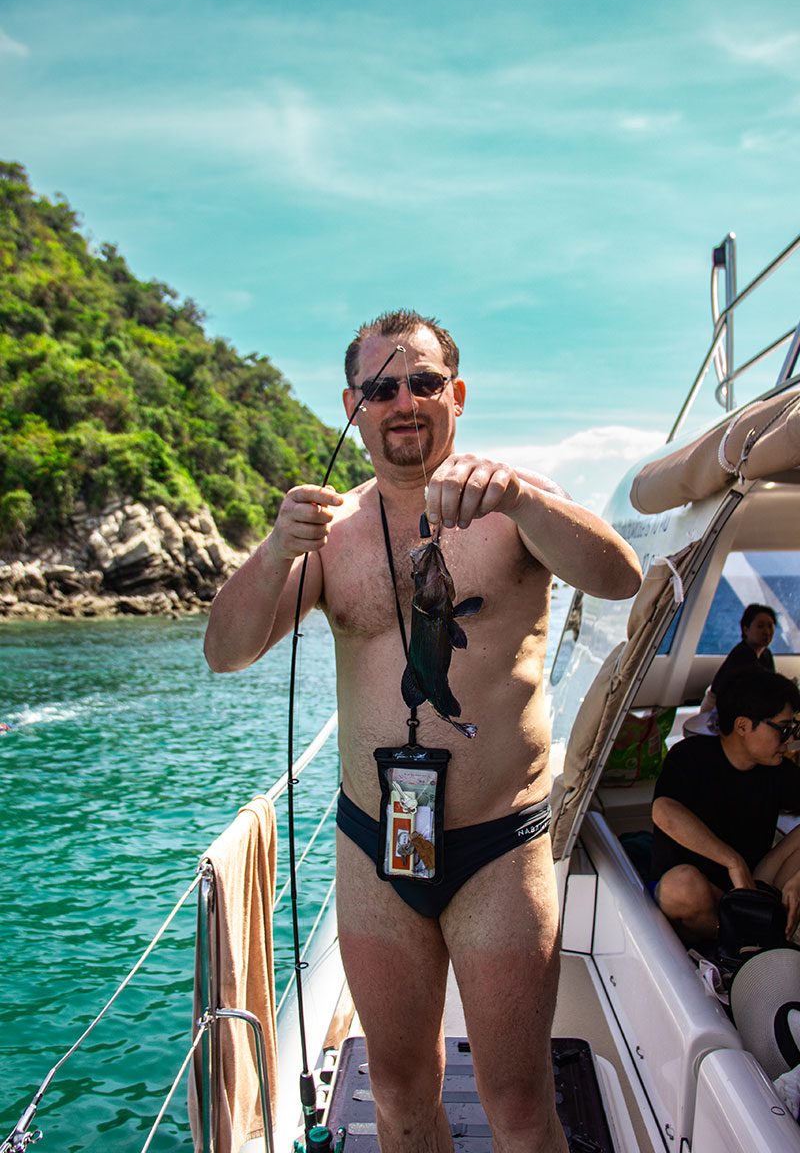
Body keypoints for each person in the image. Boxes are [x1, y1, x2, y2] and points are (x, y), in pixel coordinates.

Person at [204, 310, 642, 1152]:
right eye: (381, 388)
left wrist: (520, 497)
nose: (403, 402)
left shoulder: (516, 502)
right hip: (375, 847)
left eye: (424, 382)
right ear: (352, 406)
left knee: (518, 1103)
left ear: (457, 395)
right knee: (399, 1094)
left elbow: (620, 578)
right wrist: (274, 550)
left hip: (498, 850)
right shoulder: (329, 534)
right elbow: (225, 653)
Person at [651, 668, 800, 945]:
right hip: (702, 894)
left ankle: (752, 939)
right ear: (742, 726)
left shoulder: (778, 771)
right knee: (682, 886)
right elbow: (664, 811)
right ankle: (750, 943)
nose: (790, 739)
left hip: (753, 887)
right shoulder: (691, 756)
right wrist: (733, 862)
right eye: (783, 729)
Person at [700, 603, 777, 713]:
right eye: (760, 626)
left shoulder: (766, 654)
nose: (767, 632)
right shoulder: (743, 655)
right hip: (717, 710)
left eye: (770, 626)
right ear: (746, 629)